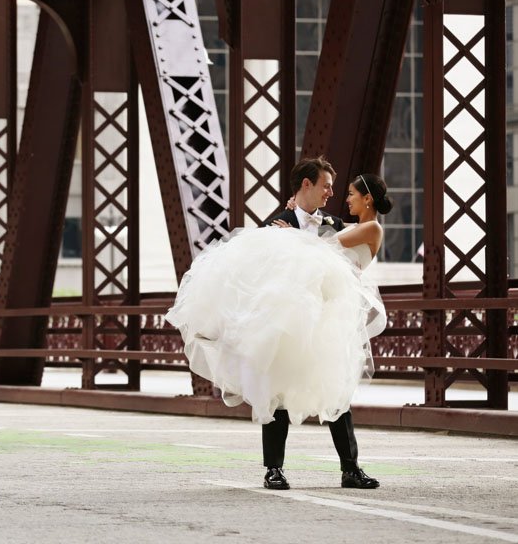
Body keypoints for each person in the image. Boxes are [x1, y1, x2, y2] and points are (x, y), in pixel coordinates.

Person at [165, 156, 391, 491]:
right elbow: (253, 275)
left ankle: (350, 468)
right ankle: (274, 469)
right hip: (286, 322)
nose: (332, 193)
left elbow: (335, 254)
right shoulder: (276, 226)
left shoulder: (335, 223)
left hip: (327, 320)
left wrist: (297, 239)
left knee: (336, 393)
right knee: (275, 394)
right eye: (326, 186)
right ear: (306, 185)